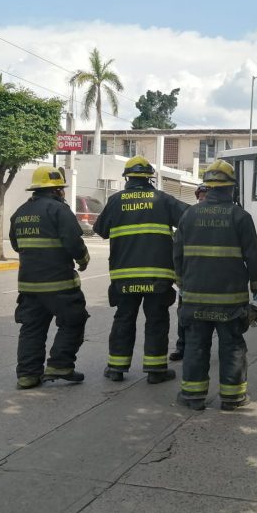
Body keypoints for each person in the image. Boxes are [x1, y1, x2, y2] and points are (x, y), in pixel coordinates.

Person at [174, 160, 257, 411]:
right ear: (231, 189)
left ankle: (193, 397)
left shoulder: (188, 215)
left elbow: (178, 254)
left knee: (195, 346)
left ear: (208, 187)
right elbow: (253, 256)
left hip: (194, 298)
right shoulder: (240, 216)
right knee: (233, 346)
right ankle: (233, 398)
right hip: (230, 300)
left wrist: (181, 282)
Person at [94, 156, 189, 384]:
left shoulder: (115, 201)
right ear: (150, 178)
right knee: (157, 320)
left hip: (124, 277)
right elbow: (190, 218)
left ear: (127, 178)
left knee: (123, 319)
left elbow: (101, 230)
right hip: (158, 276)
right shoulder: (163, 199)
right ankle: (156, 371)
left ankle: (116, 369)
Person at [9, 166, 90, 390]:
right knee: (74, 320)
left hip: (28, 284)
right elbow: (74, 243)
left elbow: (16, 245)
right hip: (59, 283)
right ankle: (60, 365)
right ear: (57, 190)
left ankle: (27, 375)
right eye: (60, 189)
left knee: (32, 328)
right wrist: (83, 260)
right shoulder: (59, 210)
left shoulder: (20, 212)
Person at [169, 184, 209, 363]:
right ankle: (182, 346)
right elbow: (178, 249)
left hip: (210, 277)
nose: (202, 201)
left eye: (205, 198)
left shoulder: (222, 218)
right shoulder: (188, 217)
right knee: (184, 313)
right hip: (190, 276)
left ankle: (203, 347)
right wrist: (180, 278)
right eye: (200, 198)